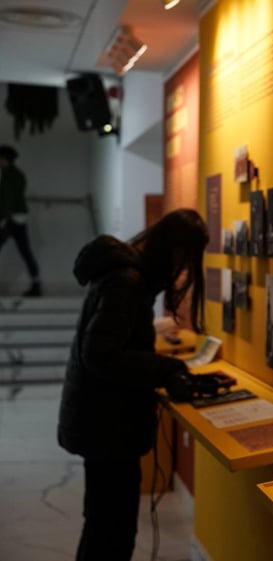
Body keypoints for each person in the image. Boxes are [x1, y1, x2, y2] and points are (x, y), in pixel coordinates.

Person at [57, 208, 209, 561]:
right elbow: (101, 354)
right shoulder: (126, 281)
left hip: (103, 421)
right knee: (111, 532)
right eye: (183, 259)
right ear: (173, 250)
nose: (181, 270)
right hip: (107, 427)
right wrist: (167, 367)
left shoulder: (123, 274)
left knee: (104, 526)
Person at [0, 144, 42, 296]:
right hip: (20, 217)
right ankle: (36, 283)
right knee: (25, 251)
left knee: (23, 251)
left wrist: (3, 217)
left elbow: (7, 198)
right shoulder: (19, 175)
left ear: (5, 159)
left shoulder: (7, 175)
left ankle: (36, 284)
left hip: (10, 218)